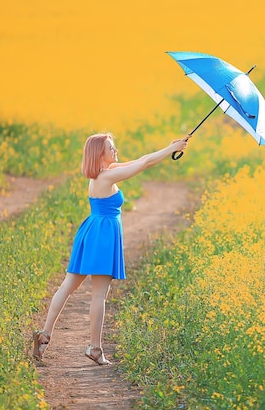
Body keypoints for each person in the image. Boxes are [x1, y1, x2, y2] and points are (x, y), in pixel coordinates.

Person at [32, 132, 189, 365]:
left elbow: (142, 159)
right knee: (98, 294)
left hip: (91, 231)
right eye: (110, 148)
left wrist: (170, 148)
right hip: (103, 235)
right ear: (100, 154)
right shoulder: (107, 177)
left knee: (67, 287)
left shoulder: (100, 174)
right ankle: (94, 348)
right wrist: (170, 150)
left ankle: (44, 335)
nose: (115, 151)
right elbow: (144, 164)